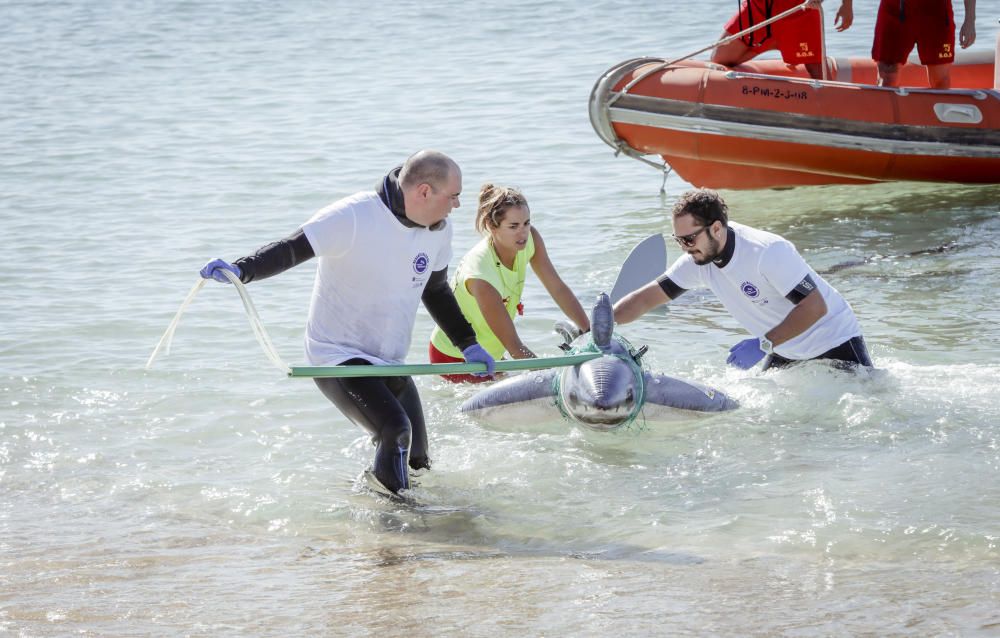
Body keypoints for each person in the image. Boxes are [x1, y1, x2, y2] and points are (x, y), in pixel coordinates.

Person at [199, 150, 495, 495]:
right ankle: (399, 529)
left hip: (388, 360)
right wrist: (241, 269)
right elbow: (291, 249)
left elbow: (436, 290)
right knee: (394, 430)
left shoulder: (438, 230)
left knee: (418, 460)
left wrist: (468, 343)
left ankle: (378, 505)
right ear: (424, 192)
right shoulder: (354, 216)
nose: (457, 205)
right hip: (336, 356)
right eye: (454, 196)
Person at [613, 189, 872, 372]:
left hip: (834, 340)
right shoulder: (699, 260)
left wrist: (764, 344)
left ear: (716, 228)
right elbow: (646, 299)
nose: (684, 248)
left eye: (689, 239)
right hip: (784, 346)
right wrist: (596, 326)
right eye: (678, 240)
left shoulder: (766, 252)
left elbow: (815, 307)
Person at [428, 183, 590, 383]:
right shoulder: (481, 276)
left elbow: (557, 288)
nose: (523, 233)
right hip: (456, 357)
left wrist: (590, 333)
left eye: (526, 223)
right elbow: (515, 347)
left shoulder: (531, 239)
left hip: (492, 350)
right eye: (513, 226)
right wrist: (555, 380)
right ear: (491, 226)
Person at [711, 0, 854, 80]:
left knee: (819, 73)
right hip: (758, 10)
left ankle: (828, 120)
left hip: (799, 12)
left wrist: (846, 5)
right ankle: (771, 45)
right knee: (718, 59)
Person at [872, 0, 976, 89]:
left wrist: (970, 20)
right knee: (887, 77)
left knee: (940, 80)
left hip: (936, 12)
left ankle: (936, 111)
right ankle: (885, 111)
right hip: (896, 8)